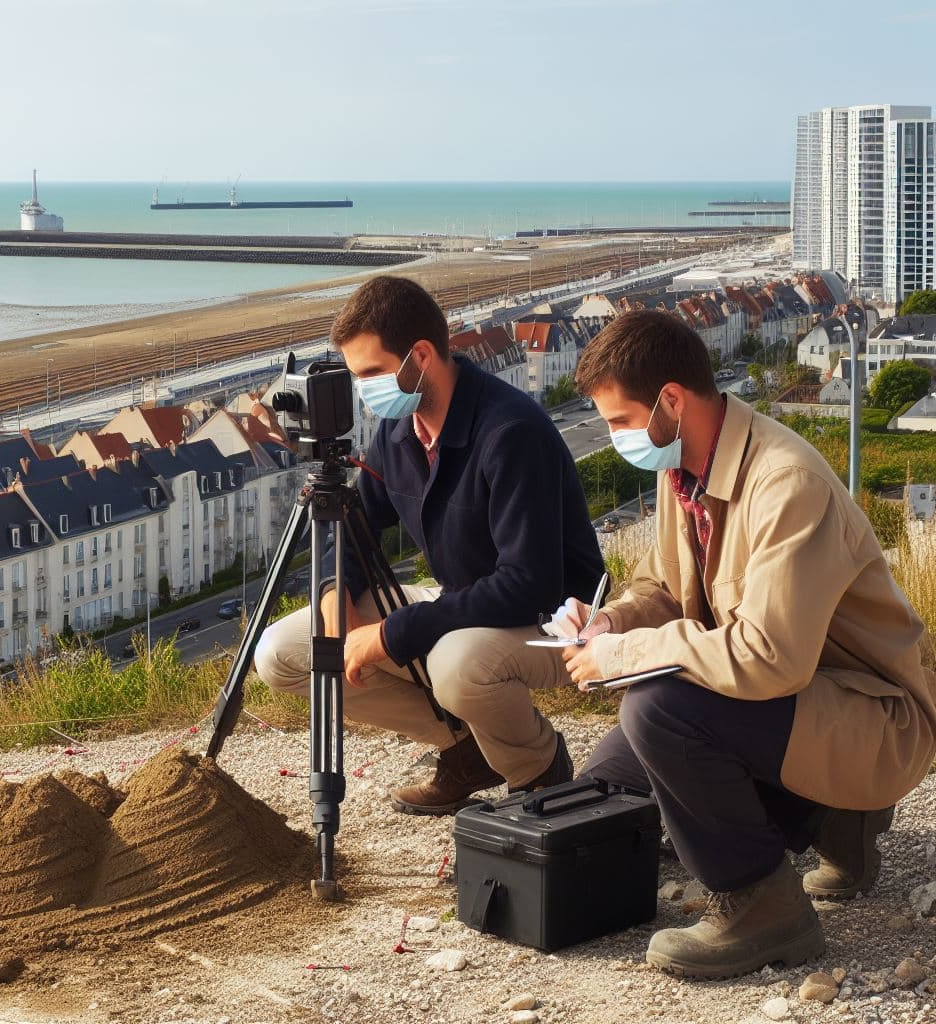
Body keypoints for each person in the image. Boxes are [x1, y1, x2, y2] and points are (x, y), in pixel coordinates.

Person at [559, 309, 936, 979]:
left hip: (873, 719)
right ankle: (831, 819)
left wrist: (623, 659)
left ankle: (764, 906)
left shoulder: (786, 482)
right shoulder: (682, 469)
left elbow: (768, 658)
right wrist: (612, 623)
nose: (616, 437)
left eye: (619, 421)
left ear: (670, 401)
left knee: (654, 710)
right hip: (794, 709)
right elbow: (668, 591)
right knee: (610, 789)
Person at [255, 275, 606, 814]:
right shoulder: (399, 434)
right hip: (464, 606)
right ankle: (467, 748)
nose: (366, 389)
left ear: (420, 355)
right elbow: (350, 529)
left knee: (455, 663)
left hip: (556, 621)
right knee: (283, 654)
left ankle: (537, 765)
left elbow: (527, 584)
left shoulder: (510, 431)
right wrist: (334, 596)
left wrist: (390, 635)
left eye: (372, 373)